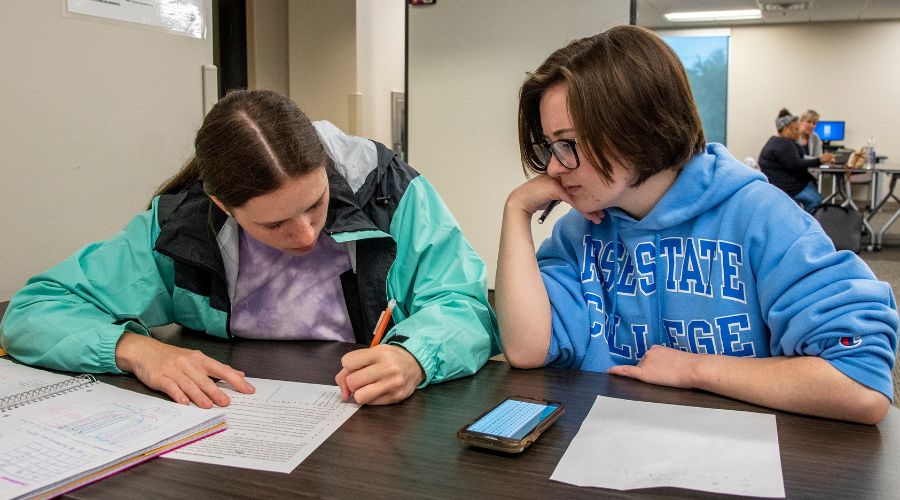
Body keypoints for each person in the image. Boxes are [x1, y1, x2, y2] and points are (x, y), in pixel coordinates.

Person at [495, 25, 897, 424]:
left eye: (569, 144)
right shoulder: (579, 230)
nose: (552, 168)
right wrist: (516, 212)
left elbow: (860, 385)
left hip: (738, 455)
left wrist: (694, 370)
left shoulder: (759, 216)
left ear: (637, 128)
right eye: (551, 146)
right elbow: (527, 350)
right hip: (610, 449)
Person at [0, 90, 499, 408]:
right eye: (273, 224)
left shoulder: (388, 191)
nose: (304, 235)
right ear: (223, 206)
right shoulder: (182, 225)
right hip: (238, 417)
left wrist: (415, 358)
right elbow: (34, 311)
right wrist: (135, 349)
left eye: (316, 204)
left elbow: (466, 307)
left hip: (377, 424)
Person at [758, 109, 833, 214]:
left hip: (784, 184)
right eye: (796, 129)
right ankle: (809, 227)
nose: (799, 133)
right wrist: (819, 160)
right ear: (787, 129)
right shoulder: (783, 144)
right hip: (788, 187)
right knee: (815, 201)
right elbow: (795, 164)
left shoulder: (777, 141)